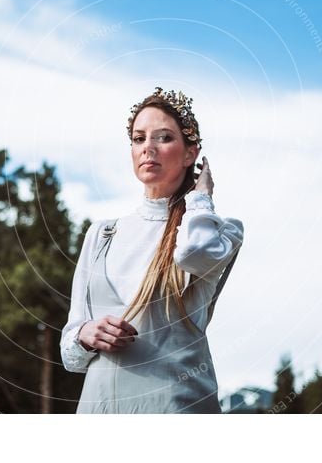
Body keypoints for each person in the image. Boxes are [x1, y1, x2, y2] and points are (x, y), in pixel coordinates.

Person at [59, 86, 244, 413]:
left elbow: (193, 254)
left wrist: (201, 197)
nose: (148, 148)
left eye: (163, 138)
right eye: (138, 138)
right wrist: (87, 333)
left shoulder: (221, 231)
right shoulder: (101, 234)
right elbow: (70, 351)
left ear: (190, 153)